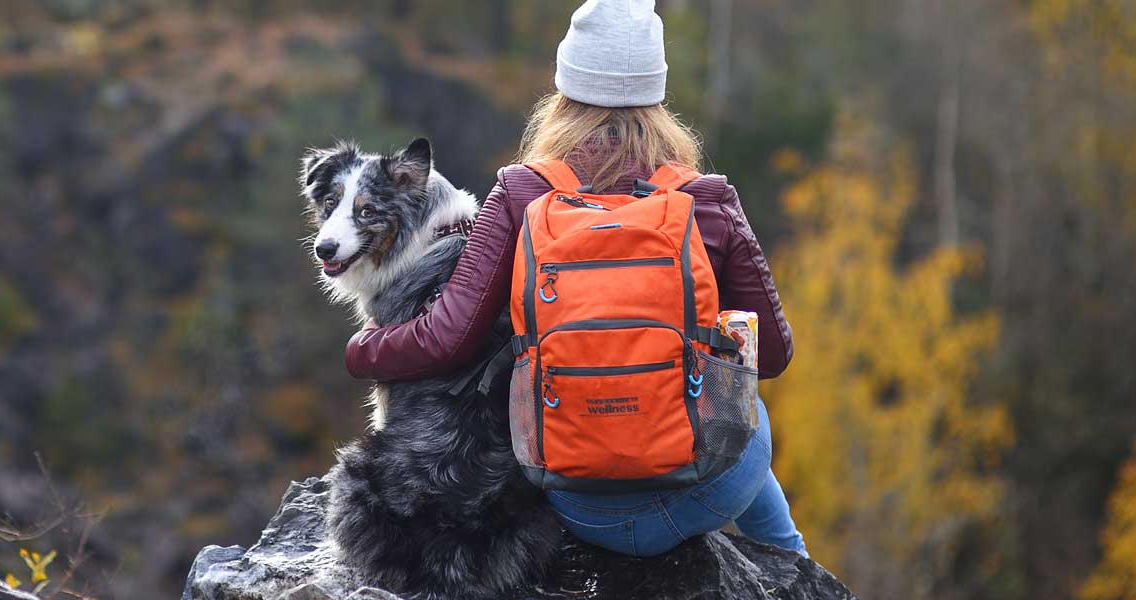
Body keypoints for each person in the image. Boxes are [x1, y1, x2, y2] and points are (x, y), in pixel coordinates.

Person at [342, 0, 807, 558]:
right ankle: (794, 563)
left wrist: (362, 350)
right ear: (657, 99)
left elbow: (446, 338)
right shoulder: (704, 199)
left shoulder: (521, 194)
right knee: (739, 408)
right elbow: (774, 356)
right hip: (708, 490)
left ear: (562, 96)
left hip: (572, 501)